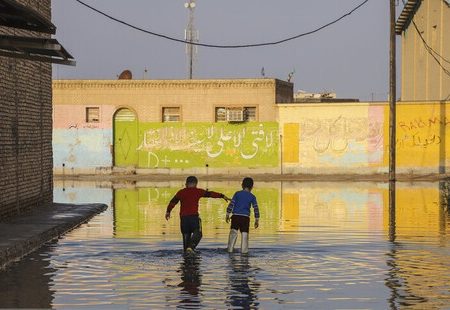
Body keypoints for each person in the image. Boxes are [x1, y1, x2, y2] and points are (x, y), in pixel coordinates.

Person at [165, 176, 230, 253]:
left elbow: (172, 202)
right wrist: (222, 196)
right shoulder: (198, 191)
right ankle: (191, 247)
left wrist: (168, 212)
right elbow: (210, 194)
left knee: (186, 240)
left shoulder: (181, 192)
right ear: (196, 184)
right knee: (198, 234)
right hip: (194, 218)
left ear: (186, 184)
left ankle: (187, 252)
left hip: (183, 219)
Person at [226, 177, 260, 254]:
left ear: (242, 185)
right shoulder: (252, 196)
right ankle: (244, 252)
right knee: (245, 235)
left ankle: (230, 250)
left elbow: (231, 204)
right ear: (252, 187)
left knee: (233, 233)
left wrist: (227, 214)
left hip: (235, 217)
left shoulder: (237, 194)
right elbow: (256, 208)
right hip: (245, 218)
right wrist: (257, 220)